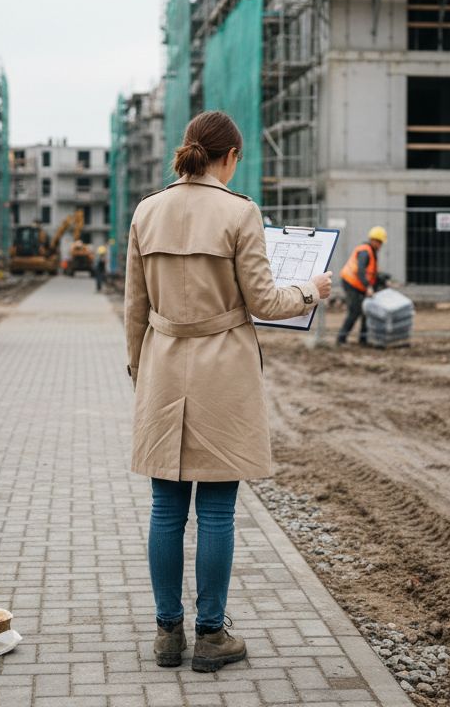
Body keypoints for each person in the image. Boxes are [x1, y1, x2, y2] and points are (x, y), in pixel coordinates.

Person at [124, 111, 333, 673]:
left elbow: (135, 308)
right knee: (216, 509)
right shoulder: (240, 212)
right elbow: (266, 303)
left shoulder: (146, 210)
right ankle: (210, 637)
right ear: (230, 157)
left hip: (164, 364)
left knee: (166, 508)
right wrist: (310, 290)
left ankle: (167, 635)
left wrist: (137, 368)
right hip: (223, 372)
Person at [336, 226, 386, 346]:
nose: (380, 245)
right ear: (374, 240)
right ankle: (340, 340)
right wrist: (368, 286)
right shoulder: (365, 251)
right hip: (351, 283)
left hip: (360, 284)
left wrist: (383, 281)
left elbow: (371, 272)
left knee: (366, 311)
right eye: (379, 242)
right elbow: (361, 271)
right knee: (355, 311)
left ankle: (363, 340)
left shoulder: (372, 252)